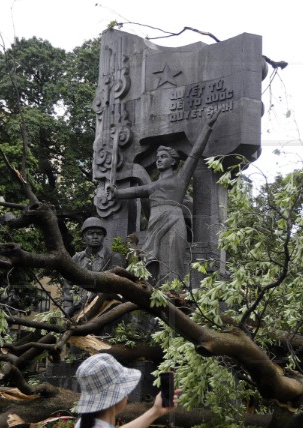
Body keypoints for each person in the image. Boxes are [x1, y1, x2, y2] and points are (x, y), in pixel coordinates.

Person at [106, 115, 218, 284]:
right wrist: (116, 193)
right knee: (152, 260)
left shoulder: (179, 180)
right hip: (155, 222)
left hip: (173, 220)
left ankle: (174, 295)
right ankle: (153, 296)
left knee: (173, 260)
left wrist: (207, 126)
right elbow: (135, 191)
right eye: (158, 157)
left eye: (163, 157)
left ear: (173, 161)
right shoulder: (152, 186)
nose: (159, 160)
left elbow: (195, 154)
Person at [63, 217, 127, 317]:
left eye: (99, 233)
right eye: (90, 233)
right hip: (78, 311)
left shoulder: (114, 258)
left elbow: (117, 288)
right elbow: (68, 284)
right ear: (84, 236)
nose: (95, 237)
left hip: (104, 310)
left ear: (104, 236)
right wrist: (67, 307)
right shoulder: (76, 259)